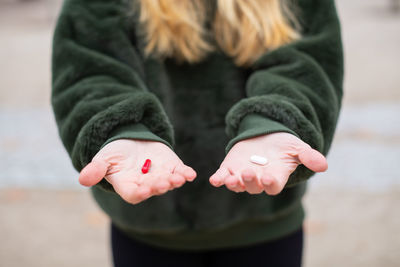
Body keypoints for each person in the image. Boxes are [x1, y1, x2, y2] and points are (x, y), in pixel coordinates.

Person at [51, 0, 343, 266]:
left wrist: (276, 120)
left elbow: (308, 59)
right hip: (147, 229)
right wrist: (121, 129)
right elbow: (90, 67)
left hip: (266, 223)